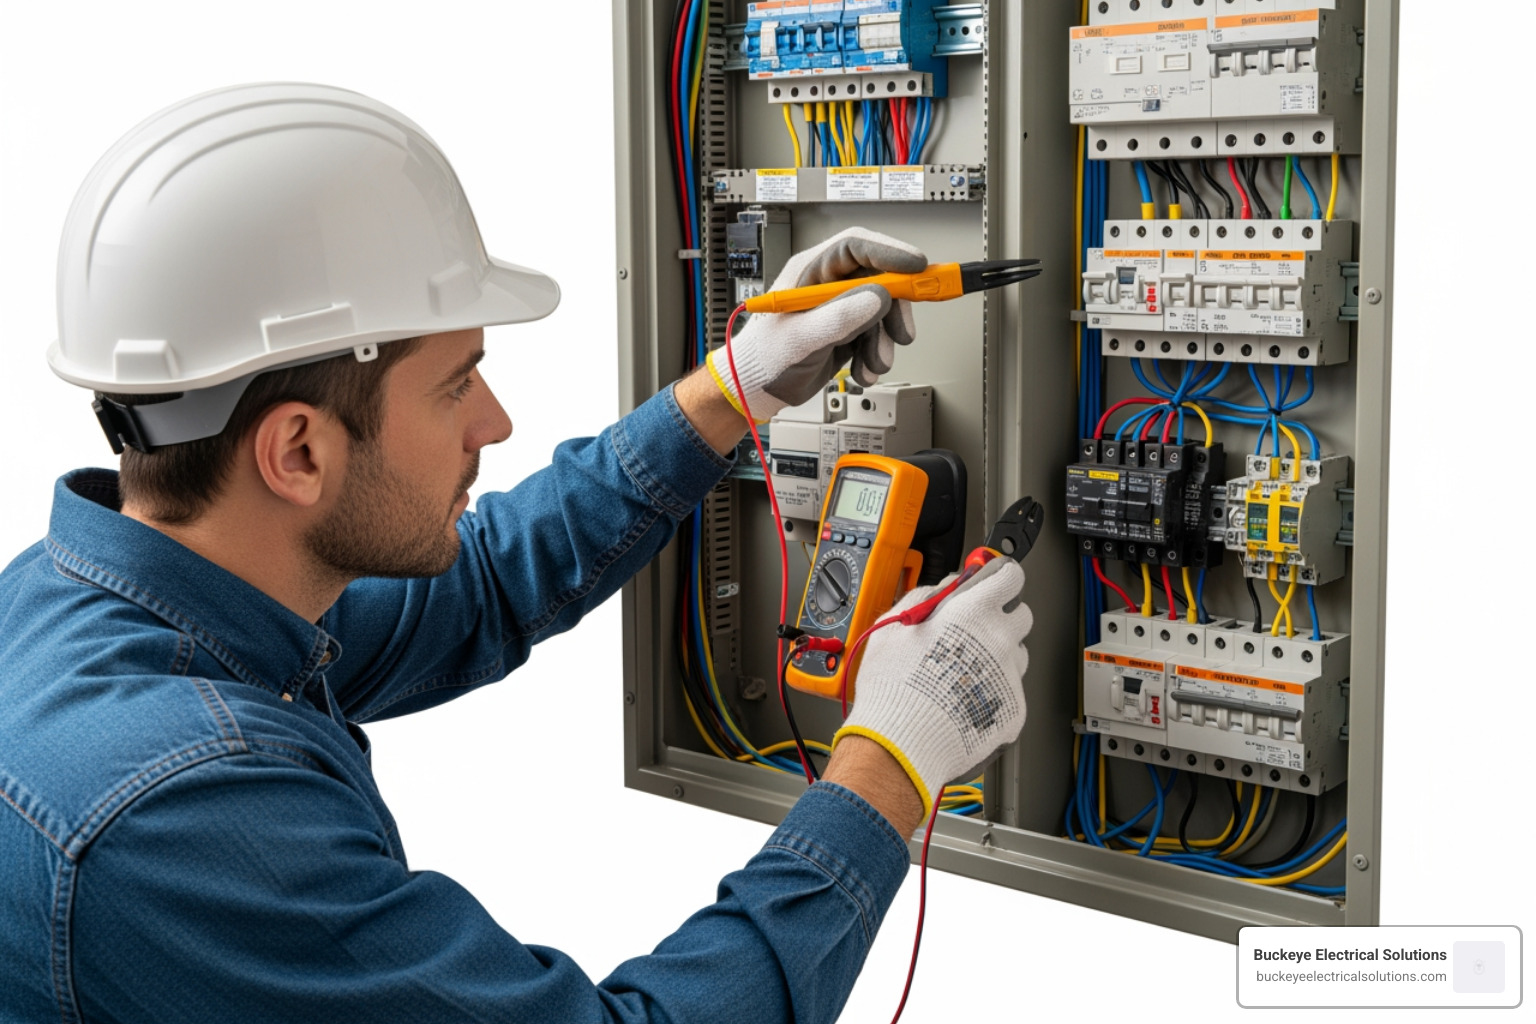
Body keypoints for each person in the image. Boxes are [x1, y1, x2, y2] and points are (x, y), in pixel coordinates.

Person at [0, 83, 1031, 1024]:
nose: (494, 422)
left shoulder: (84, 605)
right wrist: (889, 762)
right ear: (299, 450)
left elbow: (480, 583)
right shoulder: (179, 816)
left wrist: (735, 387)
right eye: (456, 385)